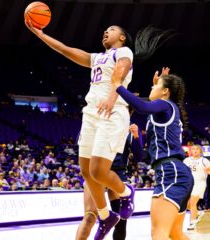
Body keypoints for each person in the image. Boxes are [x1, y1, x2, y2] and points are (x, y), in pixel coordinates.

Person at [26, 18, 173, 239]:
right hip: (91, 113)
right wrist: (40, 34)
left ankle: (126, 192)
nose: (105, 31)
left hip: (112, 112)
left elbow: (119, 76)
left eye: (111, 29)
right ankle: (106, 216)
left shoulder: (123, 52)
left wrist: (112, 98)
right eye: (104, 29)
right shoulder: (97, 58)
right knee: (87, 172)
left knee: (97, 171)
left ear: (122, 37)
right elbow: (65, 50)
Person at [111, 67, 193, 240]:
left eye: (155, 87)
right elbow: (142, 157)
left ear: (165, 92)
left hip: (170, 172)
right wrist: (136, 139)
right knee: (175, 233)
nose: (151, 88)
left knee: (158, 234)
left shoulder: (165, 105)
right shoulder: (165, 111)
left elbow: (141, 106)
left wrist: (118, 85)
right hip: (177, 172)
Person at [76, 123, 143, 240]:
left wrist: (136, 136)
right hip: (96, 172)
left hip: (117, 175)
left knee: (121, 222)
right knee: (89, 217)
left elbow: (139, 156)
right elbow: (82, 144)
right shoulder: (95, 121)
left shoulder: (129, 130)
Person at [183, 144, 210, 230]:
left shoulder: (204, 160)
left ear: (200, 151)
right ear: (191, 151)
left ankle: (192, 222)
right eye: (193, 149)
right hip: (188, 183)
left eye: (197, 149)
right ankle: (198, 213)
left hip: (199, 183)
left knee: (193, 202)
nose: (195, 150)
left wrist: (209, 170)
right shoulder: (186, 160)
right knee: (186, 204)